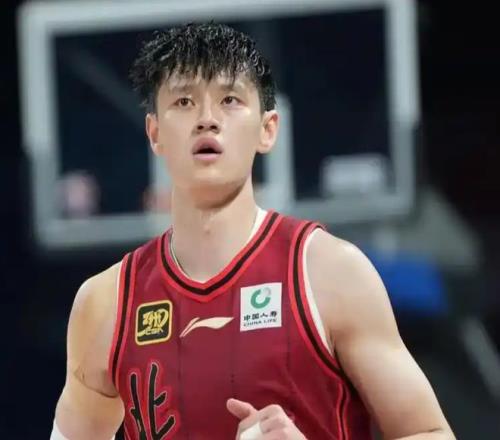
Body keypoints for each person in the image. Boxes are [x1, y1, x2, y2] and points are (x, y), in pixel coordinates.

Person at [51, 22, 454, 440]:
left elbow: (431, 432)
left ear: (268, 129)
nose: (207, 120)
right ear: (155, 134)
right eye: (185, 101)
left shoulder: (331, 273)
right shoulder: (106, 302)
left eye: (229, 100)